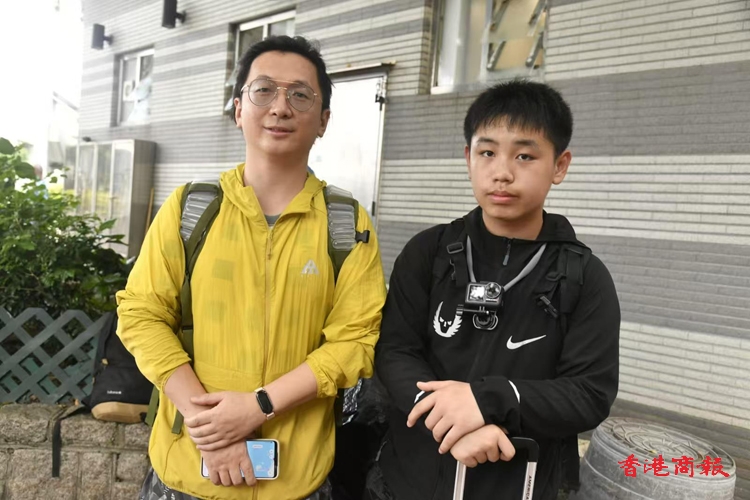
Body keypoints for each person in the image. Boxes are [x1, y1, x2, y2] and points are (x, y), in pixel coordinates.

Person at [116, 35, 386, 500]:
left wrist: (258, 407)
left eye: (300, 95)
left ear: (323, 121)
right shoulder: (189, 209)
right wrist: (211, 428)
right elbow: (141, 315)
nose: (280, 107)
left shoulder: (346, 223)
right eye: (263, 90)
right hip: (186, 472)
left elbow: (355, 341)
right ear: (239, 109)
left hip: (296, 478)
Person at [369, 80, 620, 500]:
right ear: (468, 158)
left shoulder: (583, 277)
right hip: (406, 482)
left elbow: (589, 393)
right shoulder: (428, 252)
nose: (502, 172)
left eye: (524, 156)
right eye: (487, 153)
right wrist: (452, 425)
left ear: (559, 165)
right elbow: (395, 351)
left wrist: (489, 400)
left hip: (517, 485)